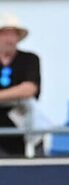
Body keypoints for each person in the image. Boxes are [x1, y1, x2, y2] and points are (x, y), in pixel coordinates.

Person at [0, 12, 40, 159]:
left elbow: (29, 88)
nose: (9, 39)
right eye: (5, 34)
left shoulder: (29, 59)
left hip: (20, 129)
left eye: (13, 34)